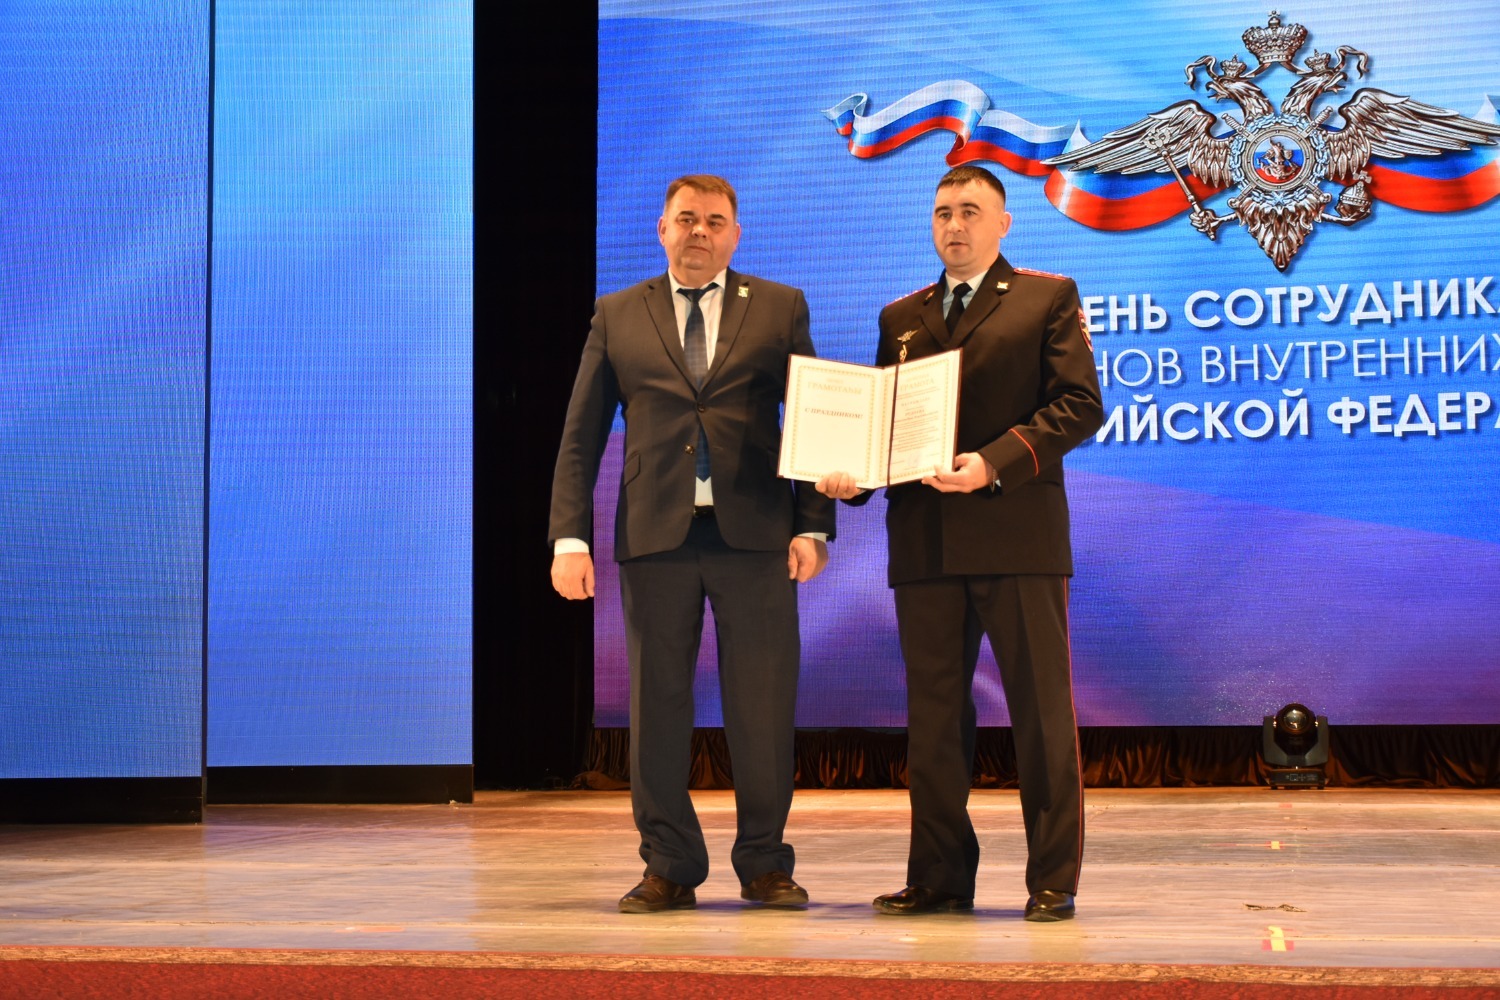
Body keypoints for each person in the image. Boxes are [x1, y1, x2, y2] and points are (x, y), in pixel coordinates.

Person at [817, 165, 1102, 921]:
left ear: (1003, 223)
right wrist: (851, 476)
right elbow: (886, 430)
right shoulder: (901, 318)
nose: (955, 225)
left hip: (1017, 537)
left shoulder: (1046, 297)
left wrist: (992, 464)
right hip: (926, 544)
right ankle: (940, 877)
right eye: (943, 212)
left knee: (1041, 715)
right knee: (934, 722)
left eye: (971, 211)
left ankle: (1052, 880)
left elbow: (1080, 405)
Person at [550, 175, 835, 913]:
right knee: (658, 707)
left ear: (735, 234)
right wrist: (569, 537)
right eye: (686, 219)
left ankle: (765, 864)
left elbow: (810, 419)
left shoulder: (780, 307)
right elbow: (580, 437)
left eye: (713, 220)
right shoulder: (617, 314)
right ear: (662, 229)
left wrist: (811, 524)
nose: (699, 231)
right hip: (655, 538)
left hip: (757, 535)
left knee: (762, 706)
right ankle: (669, 865)